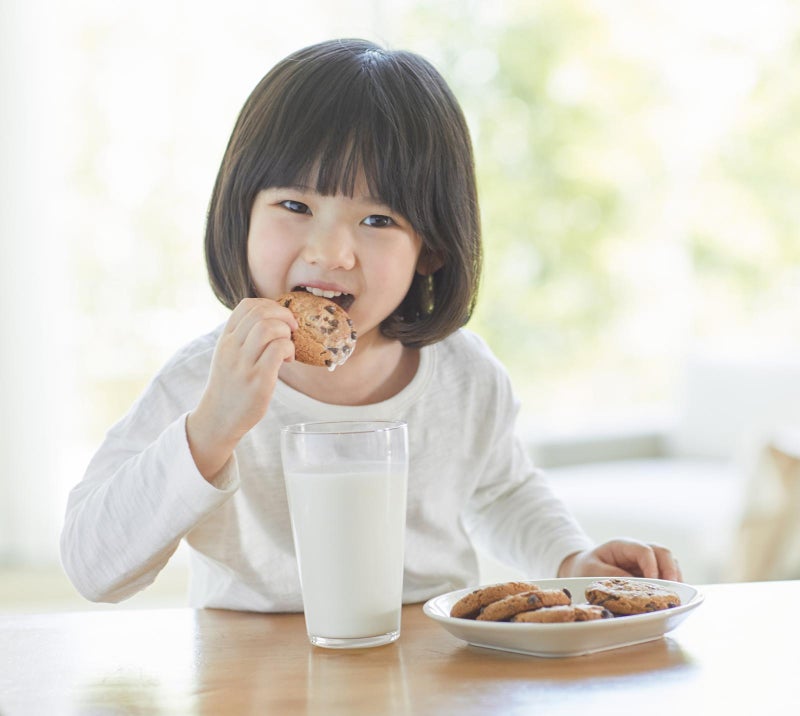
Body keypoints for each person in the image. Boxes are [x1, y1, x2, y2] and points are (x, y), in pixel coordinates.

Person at [60, 38, 680, 611]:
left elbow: (501, 491)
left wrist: (572, 559)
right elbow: (93, 567)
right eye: (295, 205)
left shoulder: (463, 375)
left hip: (424, 658)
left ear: (431, 248)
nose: (330, 253)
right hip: (253, 667)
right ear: (240, 215)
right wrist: (211, 428)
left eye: (378, 220)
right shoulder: (205, 381)